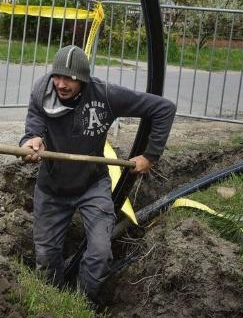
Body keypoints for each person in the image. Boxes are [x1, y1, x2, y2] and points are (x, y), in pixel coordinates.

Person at [19, 44, 176, 305]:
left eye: (70, 78)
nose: (61, 84)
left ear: (83, 79)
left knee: (100, 253)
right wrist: (32, 141)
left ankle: (82, 305)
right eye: (58, 76)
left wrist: (150, 156)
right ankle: (49, 304)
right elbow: (33, 127)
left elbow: (163, 109)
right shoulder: (42, 91)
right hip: (52, 188)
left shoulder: (104, 95)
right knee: (47, 257)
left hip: (93, 184)